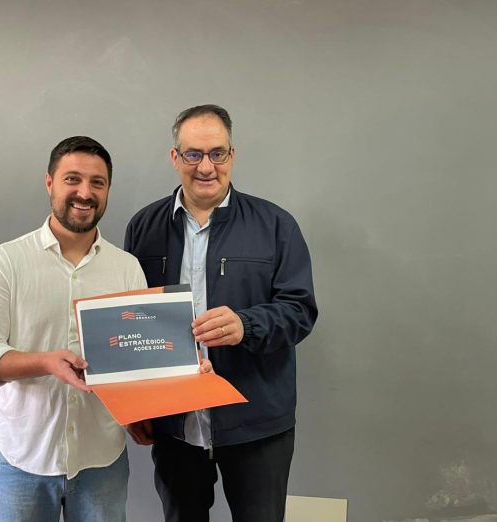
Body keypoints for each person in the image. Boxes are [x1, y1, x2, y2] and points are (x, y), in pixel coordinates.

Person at [124, 105, 318, 522]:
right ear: (175, 158)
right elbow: (132, 323)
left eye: (217, 153)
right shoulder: (143, 228)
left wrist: (246, 325)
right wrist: (137, 407)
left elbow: (300, 310)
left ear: (232, 154)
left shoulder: (276, 225)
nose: (206, 167)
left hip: (256, 423)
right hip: (175, 425)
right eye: (193, 154)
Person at [0, 136, 156, 522]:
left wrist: (173, 380)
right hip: (24, 459)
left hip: (102, 459)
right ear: (50, 182)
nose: (85, 193)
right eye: (72, 179)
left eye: (97, 183)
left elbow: (138, 355)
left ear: (108, 190)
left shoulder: (126, 268)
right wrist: (46, 363)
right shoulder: (6, 261)